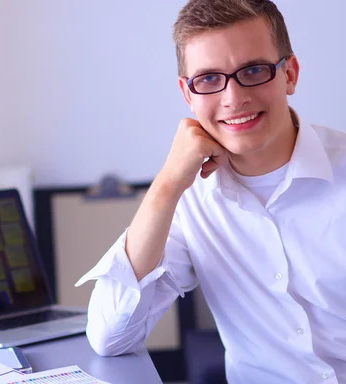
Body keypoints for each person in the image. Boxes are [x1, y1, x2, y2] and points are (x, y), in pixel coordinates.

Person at [75, 0, 346, 383]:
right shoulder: (190, 198)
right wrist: (167, 185)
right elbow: (111, 336)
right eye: (208, 79)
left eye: (253, 70)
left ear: (290, 74)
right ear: (188, 94)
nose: (233, 99)